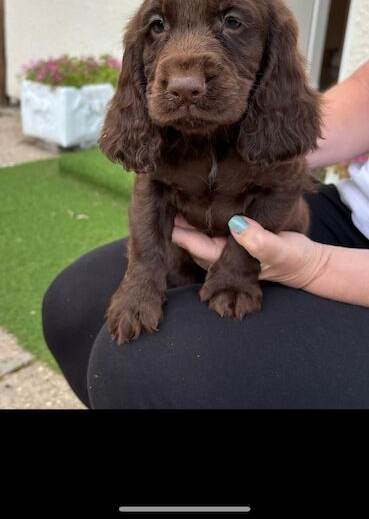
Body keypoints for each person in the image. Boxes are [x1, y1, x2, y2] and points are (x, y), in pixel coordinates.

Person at [42, 59, 369, 409]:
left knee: (144, 369)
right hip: (349, 211)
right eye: (158, 26)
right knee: (72, 305)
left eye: (231, 22)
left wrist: (313, 267)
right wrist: (242, 137)